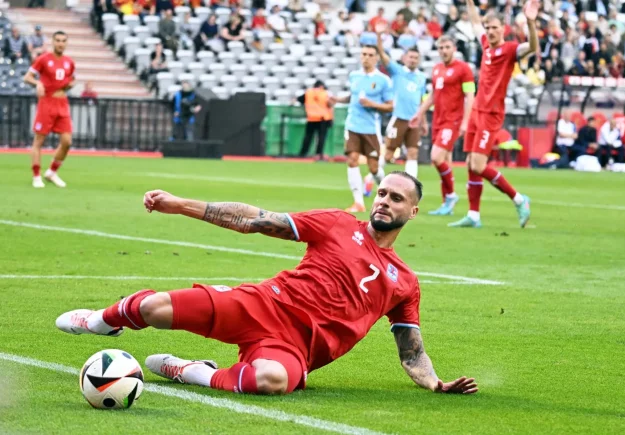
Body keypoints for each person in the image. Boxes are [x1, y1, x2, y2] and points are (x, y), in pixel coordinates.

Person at [55, 172, 479, 396]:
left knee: (272, 381)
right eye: (382, 193)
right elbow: (257, 219)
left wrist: (435, 383)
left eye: (396, 198)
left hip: (295, 348)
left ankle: (193, 372)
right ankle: (99, 321)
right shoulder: (335, 223)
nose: (384, 201)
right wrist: (180, 205)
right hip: (262, 304)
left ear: (414, 212)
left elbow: (412, 351)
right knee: (153, 309)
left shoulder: (404, 281)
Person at [447, 0, 537, 229]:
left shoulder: (509, 50)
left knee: (478, 164)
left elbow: (532, 48)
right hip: (477, 110)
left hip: (491, 114)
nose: (490, 31)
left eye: (494, 27)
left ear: (503, 29)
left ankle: (518, 198)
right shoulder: (486, 45)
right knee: (470, 162)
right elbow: (475, 21)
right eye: (488, 28)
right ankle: (473, 215)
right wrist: (469, 3)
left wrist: (530, 22)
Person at [410, 35, 475, 215]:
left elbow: (470, 96)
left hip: (452, 120)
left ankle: (452, 195)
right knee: (445, 161)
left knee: (436, 157)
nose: (444, 51)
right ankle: (447, 204)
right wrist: (419, 113)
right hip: (438, 120)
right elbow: (432, 95)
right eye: (441, 48)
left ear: (454, 48)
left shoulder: (464, 69)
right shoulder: (437, 69)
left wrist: (465, 122)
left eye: (447, 47)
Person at [333, 45, 393, 213]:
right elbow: (352, 97)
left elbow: (390, 106)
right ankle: (358, 202)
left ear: (376, 58)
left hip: (371, 129)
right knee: (352, 159)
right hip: (352, 125)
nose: (366, 57)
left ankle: (388, 191)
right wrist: (337, 99)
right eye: (363, 54)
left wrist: (371, 104)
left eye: (370, 55)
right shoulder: (354, 76)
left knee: (373, 167)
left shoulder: (383, 80)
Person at [22, 31, 75, 189]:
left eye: (63, 40)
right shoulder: (44, 59)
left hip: (62, 103)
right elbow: (27, 77)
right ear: (52, 42)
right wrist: (37, 84)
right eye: (57, 40)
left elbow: (71, 79)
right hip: (47, 102)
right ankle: (36, 175)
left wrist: (69, 85)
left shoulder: (69, 62)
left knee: (67, 142)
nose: (60, 43)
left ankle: (51, 172)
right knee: (39, 141)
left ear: (66, 43)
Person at [374, 22, 426, 179]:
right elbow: (382, 56)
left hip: (414, 120)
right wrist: (378, 37)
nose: (413, 60)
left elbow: (422, 100)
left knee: (413, 152)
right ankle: (372, 178)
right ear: (404, 58)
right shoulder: (397, 71)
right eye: (410, 57)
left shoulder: (421, 77)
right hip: (399, 117)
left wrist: (423, 121)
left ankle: (411, 187)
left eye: (416, 58)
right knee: (389, 153)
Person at [297, 80, 334, 160]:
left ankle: (303, 153)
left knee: (308, 137)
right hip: (323, 118)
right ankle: (318, 154)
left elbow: (299, 100)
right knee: (321, 137)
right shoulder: (326, 93)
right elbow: (330, 104)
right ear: (321, 86)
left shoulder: (308, 92)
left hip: (311, 118)